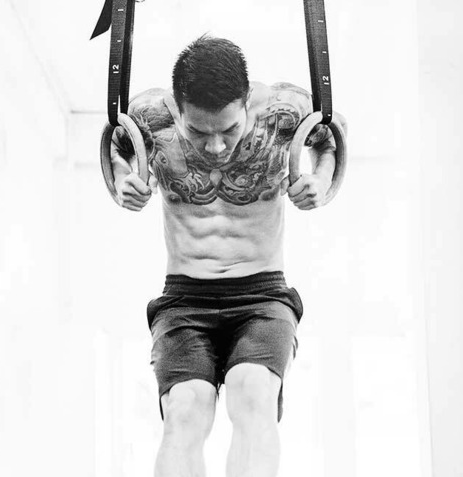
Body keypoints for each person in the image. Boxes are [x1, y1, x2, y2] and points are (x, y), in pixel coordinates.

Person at [110, 35, 344, 477]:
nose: (216, 147)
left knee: (253, 394)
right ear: (176, 108)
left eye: (229, 130)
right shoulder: (149, 118)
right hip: (184, 297)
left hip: (261, 294)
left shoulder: (281, 112)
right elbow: (117, 147)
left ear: (247, 99)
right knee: (184, 410)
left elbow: (332, 135)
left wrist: (322, 178)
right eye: (199, 132)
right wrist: (124, 178)